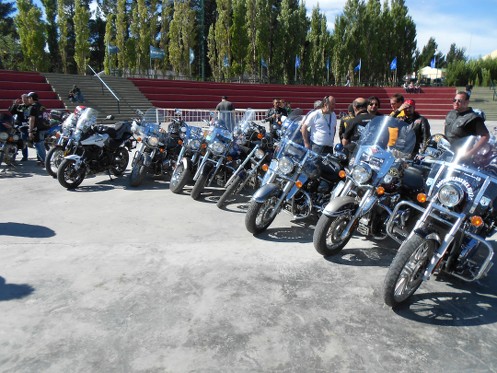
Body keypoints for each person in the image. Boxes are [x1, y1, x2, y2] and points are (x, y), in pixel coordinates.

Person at [444, 91, 489, 158]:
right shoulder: (450, 114)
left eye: (459, 101)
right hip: (447, 152)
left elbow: (485, 136)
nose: (456, 102)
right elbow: (446, 127)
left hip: (462, 156)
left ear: (467, 102)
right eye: (454, 100)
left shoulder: (473, 118)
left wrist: (470, 153)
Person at [26, 91, 47, 164]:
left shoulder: (32, 107)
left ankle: (44, 161)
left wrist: (30, 131)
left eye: (28, 98)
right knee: (41, 144)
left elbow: (32, 119)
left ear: (31, 98)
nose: (28, 100)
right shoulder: (42, 106)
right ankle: (44, 160)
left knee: (38, 145)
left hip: (37, 129)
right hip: (44, 127)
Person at [8, 93, 30, 161]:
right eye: (23, 99)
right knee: (16, 140)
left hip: (28, 126)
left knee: (27, 141)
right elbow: (12, 112)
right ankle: (15, 156)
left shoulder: (31, 107)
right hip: (19, 126)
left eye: (25, 99)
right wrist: (15, 105)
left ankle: (28, 156)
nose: (23, 100)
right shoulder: (20, 106)